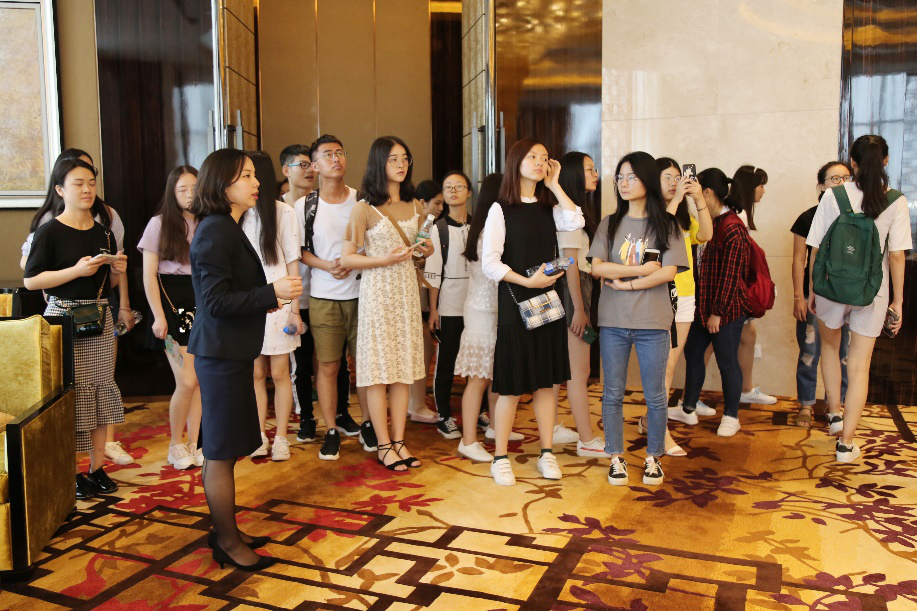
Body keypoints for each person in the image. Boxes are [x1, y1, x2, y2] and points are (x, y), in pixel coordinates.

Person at [188, 148, 301, 570]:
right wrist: (272, 293)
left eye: (255, 175)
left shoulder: (226, 227)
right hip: (220, 355)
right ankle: (227, 541)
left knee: (227, 447)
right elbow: (215, 302)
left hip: (230, 351)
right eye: (247, 176)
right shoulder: (215, 230)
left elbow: (229, 294)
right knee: (220, 451)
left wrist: (267, 300)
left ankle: (228, 531)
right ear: (222, 184)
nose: (257, 183)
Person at [20, 148, 137, 467]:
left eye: (91, 183)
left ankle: (96, 469)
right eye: (78, 184)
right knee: (68, 394)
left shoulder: (104, 233)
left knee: (99, 392)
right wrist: (75, 270)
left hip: (98, 314)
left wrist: (117, 271)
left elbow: (107, 284)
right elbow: (31, 280)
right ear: (60, 190)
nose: (87, 189)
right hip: (62, 316)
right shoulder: (49, 231)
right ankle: (69, 474)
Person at [482, 138, 585, 486]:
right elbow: (490, 264)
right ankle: (500, 457)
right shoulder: (500, 209)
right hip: (515, 304)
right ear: (516, 162)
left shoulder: (548, 207)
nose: (540, 162)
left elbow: (575, 221)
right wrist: (529, 281)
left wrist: (555, 185)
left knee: (544, 384)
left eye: (544, 157)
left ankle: (546, 452)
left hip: (546, 305)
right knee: (511, 386)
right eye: (532, 157)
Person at [806, 135, 910, 462]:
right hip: (873, 290)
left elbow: (816, 247)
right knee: (860, 366)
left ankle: (834, 415)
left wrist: (812, 289)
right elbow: (896, 256)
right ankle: (846, 443)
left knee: (829, 348)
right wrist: (898, 302)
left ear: (852, 163)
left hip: (832, 286)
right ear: (886, 160)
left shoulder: (833, 195)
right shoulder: (895, 200)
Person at [589, 152, 688, 487]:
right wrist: (640, 270)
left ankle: (653, 457)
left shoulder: (667, 225)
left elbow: (668, 273)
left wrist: (626, 283)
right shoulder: (609, 223)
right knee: (612, 393)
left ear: (647, 179)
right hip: (613, 320)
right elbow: (596, 267)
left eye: (631, 177)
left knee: (656, 395)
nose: (624, 183)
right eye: (620, 177)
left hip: (653, 321)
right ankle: (615, 457)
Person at [341, 136, 432, 471]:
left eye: (405, 158)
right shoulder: (363, 208)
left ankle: (399, 441)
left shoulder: (415, 205)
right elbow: (347, 258)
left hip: (407, 293)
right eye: (393, 159)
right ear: (379, 163)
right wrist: (384, 260)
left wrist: (424, 250)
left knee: (403, 371)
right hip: (378, 295)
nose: (401, 164)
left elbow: (423, 250)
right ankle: (383, 445)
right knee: (379, 372)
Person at [299, 134, 373, 460]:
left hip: (362, 293)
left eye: (340, 152)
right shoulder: (305, 206)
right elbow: (301, 251)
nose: (335, 159)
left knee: (365, 365)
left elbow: (374, 242)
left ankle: (369, 423)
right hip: (323, 295)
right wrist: (329, 265)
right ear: (315, 166)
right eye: (327, 154)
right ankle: (331, 429)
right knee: (328, 366)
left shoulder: (362, 200)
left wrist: (352, 261)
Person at [671, 168, 752, 437]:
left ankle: (731, 415)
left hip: (726, 310)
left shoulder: (732, 227)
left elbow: (731, 275)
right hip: (702, 306)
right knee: (693, 354)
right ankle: (689, 406)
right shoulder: (708, 223)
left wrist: (718, 312)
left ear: (706, 192)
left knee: (727, 362)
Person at [138, 165, 203, 470]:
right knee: (186, 380)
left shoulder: (208, 221)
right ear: (172, 193)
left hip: (201, 302)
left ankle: (194, 442)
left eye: (194, 187)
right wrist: (158, 316)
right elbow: (149, 275)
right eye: (182, 189)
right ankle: (176, 443)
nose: (189, 194)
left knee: (199, 380)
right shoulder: (159, 224)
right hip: (171, 306)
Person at [241, 151, 303, 462]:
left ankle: (280, 437)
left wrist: (295, 309)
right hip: (250, 300)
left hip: (280, 300)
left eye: (250, 174)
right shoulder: (237, 214)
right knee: (254, 373)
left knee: (280, 373)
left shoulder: (284, 212)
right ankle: (257, 435)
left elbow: (293, 263)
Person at [453, 173, 519, 462]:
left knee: (495, 374)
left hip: (494, 308)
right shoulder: (485, 232)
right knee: (478, 379)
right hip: (482, 310)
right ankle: (468, 440)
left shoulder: (485, 227)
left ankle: (494, 426)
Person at [656, 157, 712, 456]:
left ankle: (653, 422)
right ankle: (660, 432)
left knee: (670, 365)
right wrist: (677, 198)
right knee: (663, 367)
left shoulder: (683, 217)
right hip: (658, 295)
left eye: (677, 177)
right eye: (667, 177)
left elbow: (706, 235)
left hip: (686, 295)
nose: (674, 182)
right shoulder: (652, 213)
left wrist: (698, 199)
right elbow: (657, 236)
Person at [790, 161, 851, 426]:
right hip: (814, 296)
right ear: (822, 185)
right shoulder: (808, 217)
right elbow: (798, 259)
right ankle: (805, 405)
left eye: (846, 178)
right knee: (809, 351)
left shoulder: (856, 216)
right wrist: (799, 296)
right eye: (835, 179)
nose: (842, 183)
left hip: (848, 296)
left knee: (843, 354)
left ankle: (835, 406)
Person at [554, 151, 607, 458]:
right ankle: (587, 439)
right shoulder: (569, 212)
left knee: (564, 367)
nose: (595, 174)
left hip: (571, 289)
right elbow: (570, 264)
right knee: (579, 369)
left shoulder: (568, 210)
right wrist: (579, 308)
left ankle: (552, 427)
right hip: (573, 290)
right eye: (589, 169)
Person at [425, 171, 472, 439]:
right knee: (447, 360)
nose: (453, 191)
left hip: (476, 303)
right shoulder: (438, 229)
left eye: (459, 186)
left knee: (477, 357)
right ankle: (444, 415)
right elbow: (432, 274)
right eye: (448, 187)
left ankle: (479, 411)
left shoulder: (480, 226)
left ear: (469, 192)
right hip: (450, 304)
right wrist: (434, 309)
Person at [733, 165, 776, 405]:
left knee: (748, 334)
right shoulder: (736, 215)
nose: (763, 191)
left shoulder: (741, 214)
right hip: (733, 288)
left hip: (737, 286)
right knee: (708, 342)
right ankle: (690, 398)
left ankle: (746, 388)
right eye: (761, 186)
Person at [408, 179, 445, 424]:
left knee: (424, 348)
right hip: (414, 293)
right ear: (422, 202)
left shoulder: (431, 225)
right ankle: (416, 403)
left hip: (422, 294)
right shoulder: (419, 226)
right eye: (437, 203)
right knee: (421, 349)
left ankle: (414, 401)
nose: (440, 208)